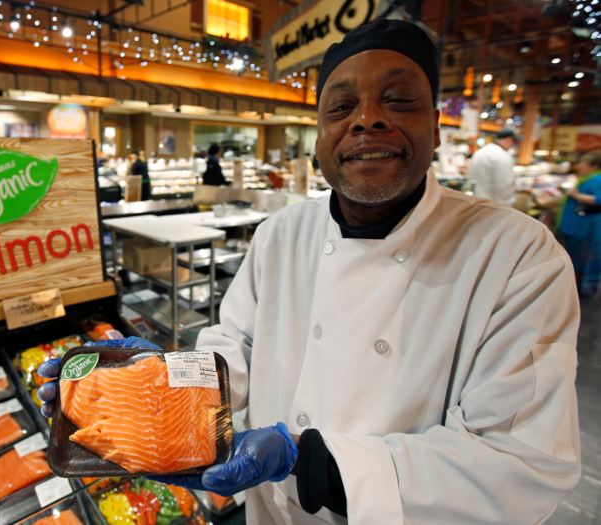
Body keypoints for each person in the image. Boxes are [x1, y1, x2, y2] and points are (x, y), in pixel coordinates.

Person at [38, 19, 581, 524]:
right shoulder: (281, 233)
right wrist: (171, 385)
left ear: (437, 128)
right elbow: (237, 347)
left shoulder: (516, 254)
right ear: (321, 132)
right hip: (274, 514)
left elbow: (520, 460)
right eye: (341, 106)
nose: (367, 118)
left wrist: (311, 463)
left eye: (398, 100)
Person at [558, 152, 601, 295]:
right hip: (579, 225)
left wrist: (575, 195)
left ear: (594, 166)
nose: (580, 166)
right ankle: (574, 285)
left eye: (584, 163)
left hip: (587, 227)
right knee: (576, 256)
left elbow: (598, 199)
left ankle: (580, 288)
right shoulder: (587, 178)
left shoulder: (597, 179)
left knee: (583, 257)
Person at [469, 128, 519, 205]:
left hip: (477, 202)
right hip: (494, 205)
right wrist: (506, 204)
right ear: (508, 140)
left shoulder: (480, 152)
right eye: (514, 142)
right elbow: (504, 185)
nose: (513, 145)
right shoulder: (502, 156)